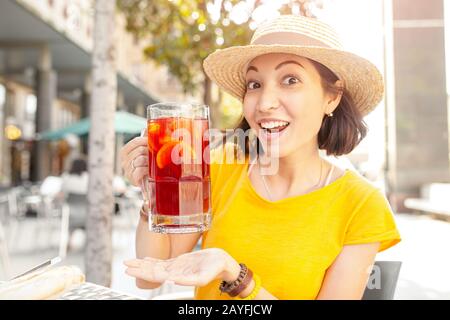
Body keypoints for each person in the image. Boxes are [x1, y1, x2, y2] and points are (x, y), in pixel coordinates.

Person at [120, 15, 401, 300]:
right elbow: (150, 277)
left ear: (332, 97)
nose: (265, 103)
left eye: (290, 80)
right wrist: (153, 192)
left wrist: (236, 276)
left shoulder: (361, 205)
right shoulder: (220, 167)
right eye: (254, 84)